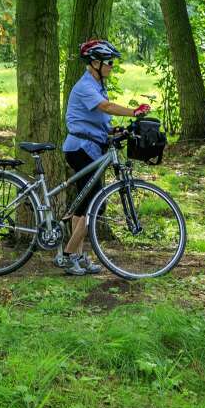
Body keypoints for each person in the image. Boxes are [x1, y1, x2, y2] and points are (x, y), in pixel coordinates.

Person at [59, 38, 150, 275]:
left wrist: (115, 130)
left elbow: (98, 120)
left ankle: (76, 256)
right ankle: (69, 255)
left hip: (89, 147)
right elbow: (106, 108)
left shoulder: (98, 84)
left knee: (83, 205)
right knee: (91, 205)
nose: (112, 65)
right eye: (109, 61)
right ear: (95, 62)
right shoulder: (85, 86)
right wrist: (133, 111)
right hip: (80, 149)